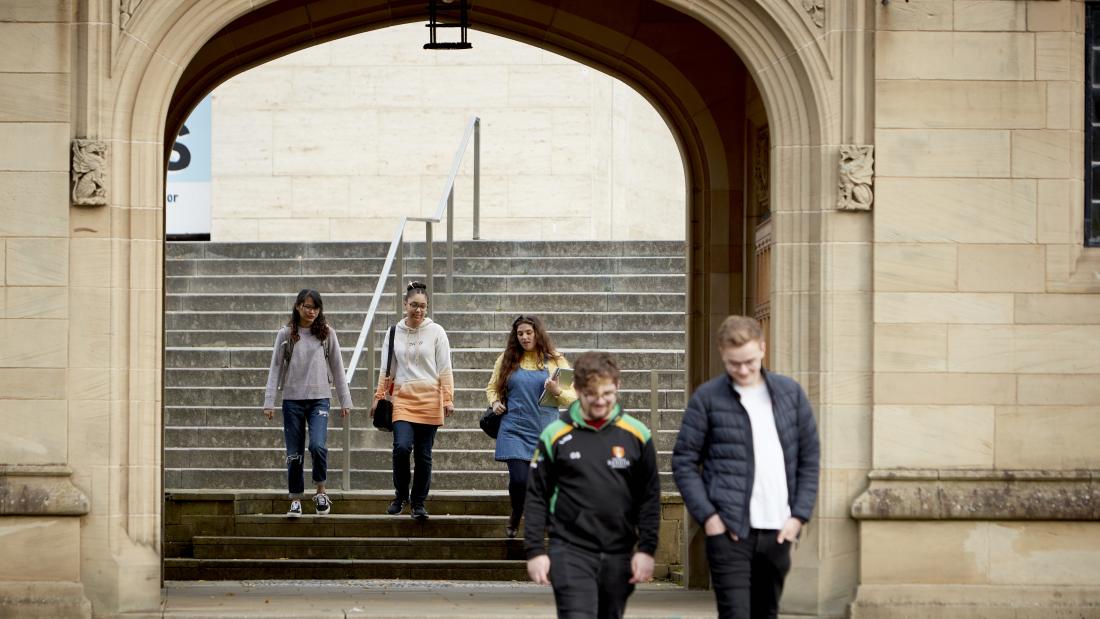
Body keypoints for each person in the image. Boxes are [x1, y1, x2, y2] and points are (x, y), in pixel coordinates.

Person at [671, 315, 820, 619]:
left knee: (766, 613)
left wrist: (799, 516)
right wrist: (710, 518)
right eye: (733, 363)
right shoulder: (707, 398)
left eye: (749, 361)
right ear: (722, 354)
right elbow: (684, 461)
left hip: (778, 530)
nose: (742, 370)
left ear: (763, 349)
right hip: (728, 532)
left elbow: (809, 457)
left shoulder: (790, 393)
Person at [524, 351, 660, 619]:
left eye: (607, 394)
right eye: (591, 395)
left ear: (617, 386)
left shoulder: (637, 434)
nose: (600, 401)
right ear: (576, 389)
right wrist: (535, 550)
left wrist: (646, 549)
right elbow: (537, 495)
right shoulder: (555, 434)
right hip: (570, 549)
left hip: (619, 551)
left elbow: (649, 497)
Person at [263, 289, 352, 518]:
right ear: (298, 306)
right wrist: (269, 402)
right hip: (292, 399)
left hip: (319, 399)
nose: (311, 311)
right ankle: (295, 499)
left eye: (315, 307)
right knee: (294, 453)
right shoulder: (286, 334)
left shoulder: (327, 334)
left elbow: (337, 367)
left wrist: (345, 400)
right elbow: (275, 368)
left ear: (320, 309)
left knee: (317, 446)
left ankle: (321, 491)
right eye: (306, 306)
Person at [486, 315, 576, 538]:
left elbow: (573, 398)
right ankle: (517, 512)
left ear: (537, 333)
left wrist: (557, 391)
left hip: (545, 430)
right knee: (519, 480)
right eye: (520, 334)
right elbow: (492, 388)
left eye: (528, 333)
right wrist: (495, 403)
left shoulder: (555, 361)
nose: (524, 337)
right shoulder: (506, 359)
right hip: (513, 429)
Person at [371, 281, 454, 520]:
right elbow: (387, 369)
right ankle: (400, 495)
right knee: (401, 448)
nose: (418, 310)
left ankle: (418, 502)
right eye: (414, 305)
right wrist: (379, 396)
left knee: (424, 454)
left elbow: (445, 367)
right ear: (404, 304)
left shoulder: (437, 331)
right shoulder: (394, 332)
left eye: (423, 306)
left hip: (430, 399)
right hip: (403, 399)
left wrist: (448, 398)